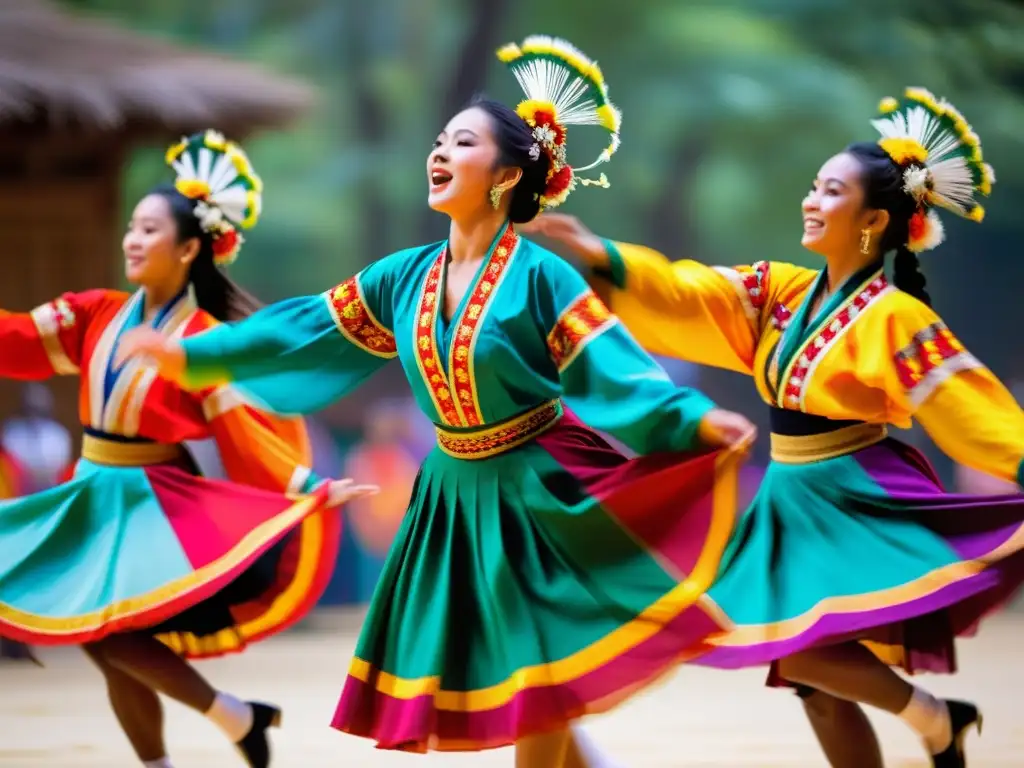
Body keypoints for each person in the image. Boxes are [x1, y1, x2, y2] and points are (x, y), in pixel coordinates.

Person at [117, 36, 755, 768]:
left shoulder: (543, 277)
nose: (439, 151)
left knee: (536, 668)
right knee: (524, 670)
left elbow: (613, 369)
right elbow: (310, 326)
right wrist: (196, 354)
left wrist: (693, 419)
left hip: (537, 488)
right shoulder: (403, 277)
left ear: (507, 174)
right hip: (452, 492)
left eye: (462, 141)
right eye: (438, 139)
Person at [523, 87, 1021, 768]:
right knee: (811, 685)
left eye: (831, 192)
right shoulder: (784, 292)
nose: (811, 201)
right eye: (813, 187)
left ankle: (936, 719)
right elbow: (693, 292)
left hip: (851, 494)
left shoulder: (895, 317)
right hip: (789, 495)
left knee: (801, 649)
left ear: (873, 219)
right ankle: (935, 725)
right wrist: (605, 255)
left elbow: (964, 400)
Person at [0, 130, 376, 768]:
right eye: (131, 228)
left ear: (189, 247)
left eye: (149, 230)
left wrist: (308, 486)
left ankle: (225, 718)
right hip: (90, 492)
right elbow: (19, 339)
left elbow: (247, 433)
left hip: (151, 506)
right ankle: (219, 726)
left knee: (110, 636)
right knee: (105, 641)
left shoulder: (200, 341)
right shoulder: (96, 314)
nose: (132, 240)